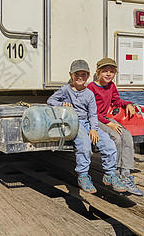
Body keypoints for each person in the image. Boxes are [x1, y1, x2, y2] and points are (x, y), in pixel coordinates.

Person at [47, 59, 126, 194]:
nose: (80, 78)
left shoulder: (89, 93)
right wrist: (62, 105)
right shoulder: (65, 90)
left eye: (83, 75)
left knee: (108, 143)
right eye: (77, 74)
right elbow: (51, 100)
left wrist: (94, 129)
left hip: (88, 123)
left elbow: (93, 114)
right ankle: (83, 175)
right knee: (84, 144)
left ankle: (110, 174)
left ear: (88, 76)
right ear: (71, 75)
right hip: (73, 123)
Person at [87, 57, 143, 196]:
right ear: (98, 72)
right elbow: (91, 111)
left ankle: (126, 172)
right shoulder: (91, 88)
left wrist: (128, 104)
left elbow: (116, 100)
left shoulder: (111, 86)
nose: (108, 74)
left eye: (111, 71)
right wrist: (109, 123)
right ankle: (115, 172)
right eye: (105, 71)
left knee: (127, 135)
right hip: (94, 119)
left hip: (104, 118)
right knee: (116, 137)